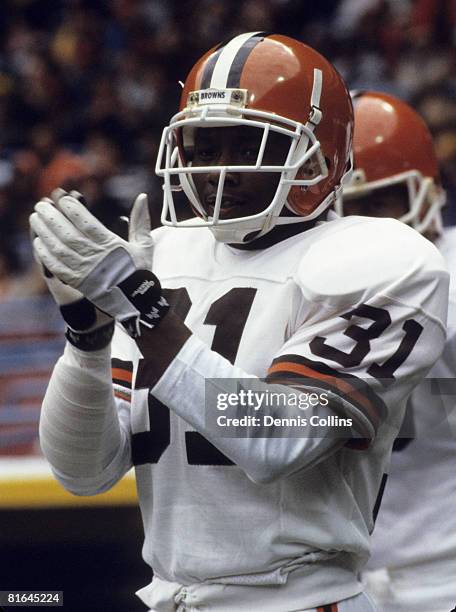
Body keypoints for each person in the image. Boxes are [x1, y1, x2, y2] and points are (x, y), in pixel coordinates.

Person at [29, 34, 448, 612]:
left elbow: (276, 437)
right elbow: (83, 472)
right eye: (200, 148)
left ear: (318, 156)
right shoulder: (167, 255)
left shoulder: (385, 260)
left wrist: (141, 306)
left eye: (245, 143)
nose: (211, 171)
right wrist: (87, 335)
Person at [337, 90, 456, 612]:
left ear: (429, 193)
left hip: (443, 572)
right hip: (334, 576)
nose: (367, 228)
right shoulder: (308, 285)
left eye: (380, 203)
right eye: (349, 209)